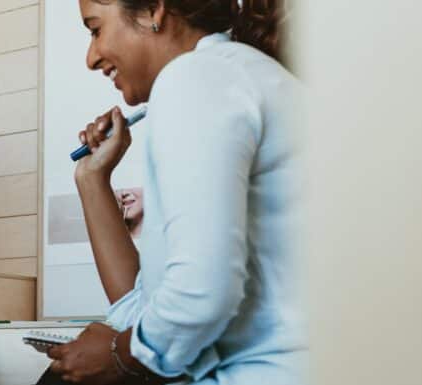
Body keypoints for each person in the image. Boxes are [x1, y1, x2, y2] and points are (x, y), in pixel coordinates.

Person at [45, 0, 304, 384]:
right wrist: (92, 177)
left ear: (153, 10)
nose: (91, 57)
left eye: (96, 29)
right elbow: (146, 305)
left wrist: (121, 354)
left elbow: (200, 295)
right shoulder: (232, 74)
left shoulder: (196, 77)